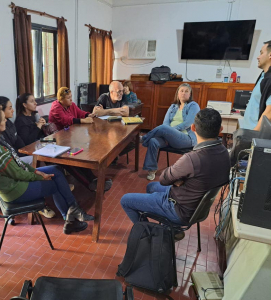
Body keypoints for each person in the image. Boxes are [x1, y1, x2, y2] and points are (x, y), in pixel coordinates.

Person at [0, 106, 94, 234]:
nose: (6, 121)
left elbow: (17, 163)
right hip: (15, 191)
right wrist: (40, 176)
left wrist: (36, 171)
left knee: (56, 169)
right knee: (55, 181)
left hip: (12, 186)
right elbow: (18, 173)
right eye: (2, 119)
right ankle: (71, 217)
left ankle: (73, 213)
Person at [121, 108, 230, 240]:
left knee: (126, 200)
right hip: (198, 207)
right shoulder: (225, 153)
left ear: (193, 128)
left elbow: (164, 178)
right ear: (221, 129)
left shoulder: (192, 158)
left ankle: (150, 234)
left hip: (179, 209)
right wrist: (184, 181)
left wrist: (179, 180)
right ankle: (172, 229)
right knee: (151, 187)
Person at [49, 87, 112, 192]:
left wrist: (89, 115)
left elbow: (80, 112)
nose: (71, 100)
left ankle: (93, 178)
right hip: (58, 141)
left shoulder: (71, 105)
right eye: (68, 98)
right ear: (61, 99)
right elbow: (66, 120)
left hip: (69, 137)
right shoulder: (56, 107)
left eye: (71, 97)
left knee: (81, 156)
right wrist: (83, 121)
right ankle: (90, 184)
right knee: (74, 162)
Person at [141, 83, 200, 180]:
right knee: (153, 141)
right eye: (181, 91)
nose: (183, 93)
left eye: (186, 91)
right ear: (177, 93)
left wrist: (171, 131)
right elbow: (166, 122)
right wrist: (168, 134)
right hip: (169, 137)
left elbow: (188, 123)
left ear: (190, 94)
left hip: (185, 138)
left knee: (164, 128)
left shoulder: (193, 106)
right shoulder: (173, 107)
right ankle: (151, 170)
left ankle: (144, 138)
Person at [0, 96, 33, 165]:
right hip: (10, 160)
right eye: (10, 108)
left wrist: (25, 152)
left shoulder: (9, 122)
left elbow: (18, 139)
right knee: (34, 158)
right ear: (1, 110)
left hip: (17, 155)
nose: (13, 110)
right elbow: (9, 151)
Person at [239, 40, 271, 130]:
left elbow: (269, 113)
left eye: (261, 53)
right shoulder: (263, 75)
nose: (258, 57)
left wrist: (253, 135)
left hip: (256, 135)